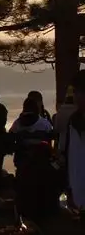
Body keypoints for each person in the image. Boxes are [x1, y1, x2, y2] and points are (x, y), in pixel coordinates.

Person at [10, 97, 56, 229]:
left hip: (22, 162)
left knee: (22, 191)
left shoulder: (17, 123)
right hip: (40, 163)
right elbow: (50, 137)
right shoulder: (44, 123)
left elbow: (11, 138)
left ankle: (21, 217)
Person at [63, 73, 85, 222]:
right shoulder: (74, 120)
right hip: (78, 191)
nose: (76, 97)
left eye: (78, 92)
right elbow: (70, 155)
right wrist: (69, 187)